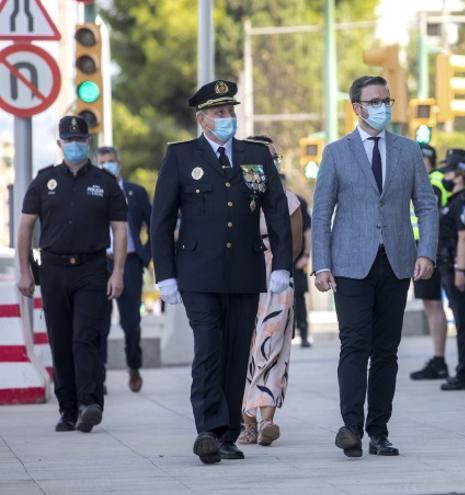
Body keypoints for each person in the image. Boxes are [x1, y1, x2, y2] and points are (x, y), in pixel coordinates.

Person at [151, 80, 293, 464]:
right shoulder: (181, 157)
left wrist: (282, 264)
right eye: (219, 112)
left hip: (245, 271)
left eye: (231, 111)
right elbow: (161, 219)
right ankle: (207, 431)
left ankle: (229, 433)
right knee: (209, 350)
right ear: (202, 119)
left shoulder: (254, 155)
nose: (227, 118)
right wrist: (163, 273)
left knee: (235, 355)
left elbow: (277, 211)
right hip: (198, 273)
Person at [312, 75, 438, 458]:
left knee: (386, 350)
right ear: (357, 107)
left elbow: (427, 205)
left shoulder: (408, 150)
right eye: (374, 101)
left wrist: (426, 252)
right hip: (350, 263)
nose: (383, 106)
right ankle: (350, 427)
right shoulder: (336, 152)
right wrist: (321, 264)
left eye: (387, 99)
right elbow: (321, 213)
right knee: (354, 345)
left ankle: (378, 431)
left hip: (397, 261)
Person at [17, 115, 128, 433]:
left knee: (86, 337)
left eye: (81, 140)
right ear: (60, 144)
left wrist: (117, 272)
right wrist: (25, 272)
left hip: (92, 269)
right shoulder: (44, 181)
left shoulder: (105, 183)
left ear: (88, 143)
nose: (76, 145)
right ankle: (67, 410)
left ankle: (89, 403)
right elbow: (25, 228)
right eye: (70, 140)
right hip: (52, 269)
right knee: (61, 339)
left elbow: (120, 230)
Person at [238, 134, 303, 447]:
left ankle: (266, 420)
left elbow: (294, 245)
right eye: (266, 156)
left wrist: (280, 267)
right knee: (243, 346)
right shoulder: (235, 196)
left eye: (275, 157)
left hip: (276, 279)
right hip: (241, 276)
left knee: (272, 347)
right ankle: (245, 422)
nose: (272, 162)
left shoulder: (289, 200)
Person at [95, 146, 152, 393]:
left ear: (119, 163)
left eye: (111, 161)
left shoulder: (135, 192)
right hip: (99, 262)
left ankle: (134, 366)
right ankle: (99, 376)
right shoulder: (93, 191)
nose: (108, 165)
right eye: (103, 162)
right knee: (99, 323)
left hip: (129, 261)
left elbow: (156, 225)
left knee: (131, 323)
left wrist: (145, 254)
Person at [436, 157, 465, 391]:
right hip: (450, 266)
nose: (444, 177)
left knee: (464, 322)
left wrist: (460, 270)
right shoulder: (454, 200)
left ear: (460, 175)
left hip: (458, 267)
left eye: (449, 173)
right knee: (462, 320)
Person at [410, 143, 452, 380]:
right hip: (427, 248)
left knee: (433, 305)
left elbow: (429, 214)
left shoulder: (432, 182)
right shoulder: (434, 180)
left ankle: (439, 359)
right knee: (432, 304)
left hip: (428, 250)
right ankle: (439, 359)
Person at [293, 192, 312, 348]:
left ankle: (304, 333)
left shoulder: (298, 202)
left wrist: (306, 255)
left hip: (296, 260)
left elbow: (307, 231)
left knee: (299, 298)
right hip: (272, 261)